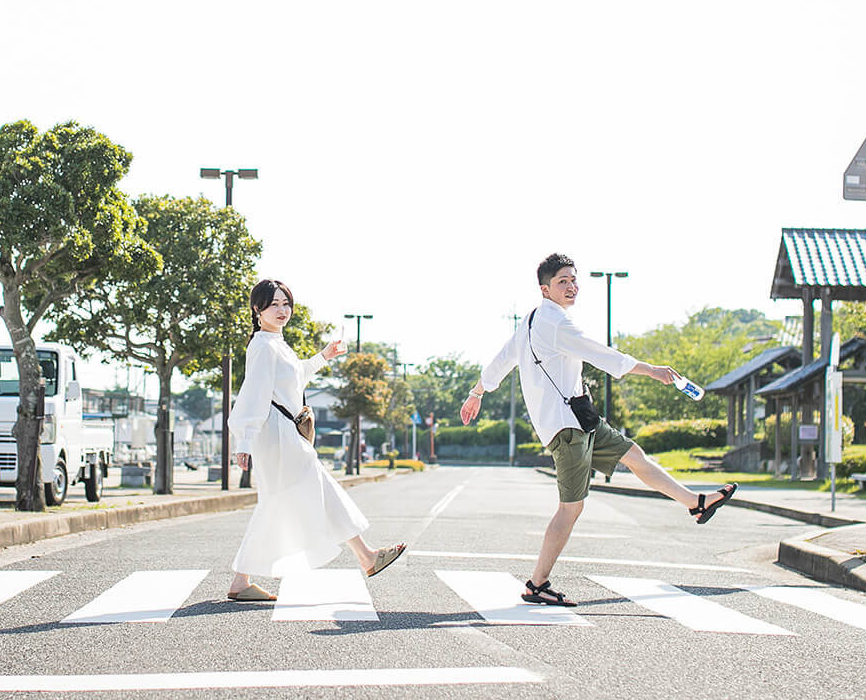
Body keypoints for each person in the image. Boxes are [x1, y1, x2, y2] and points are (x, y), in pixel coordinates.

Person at [460, 253, 736, 607]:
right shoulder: (556, 324)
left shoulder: (531, 320)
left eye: (574, 280)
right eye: (563, 281)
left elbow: (502, 360)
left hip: (581, 418)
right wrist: (652, 369)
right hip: (567, 428)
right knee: (570, 508)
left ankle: (696, 503)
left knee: (635, 456)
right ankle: (536, 583)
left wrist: (477, 392)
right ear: (545, 289)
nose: (572, 286)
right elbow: (601, 355)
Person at [225, 279, 406, 601]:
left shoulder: (277, 343)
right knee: (314, 491)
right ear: (257, 310)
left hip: (285, 434)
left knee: (286, 499)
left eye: (285, 303)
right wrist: (244, 440)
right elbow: (254, 394)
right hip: (277, 435)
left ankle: (242, 580)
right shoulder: (263, 346)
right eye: (273, 305)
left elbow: (292, 380)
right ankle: (366, 556)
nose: (282, 311)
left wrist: (324, 356)